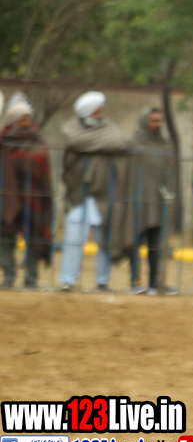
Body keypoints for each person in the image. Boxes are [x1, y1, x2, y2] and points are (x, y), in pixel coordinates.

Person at [58, 91, 129, 292]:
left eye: (101, 110)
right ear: (87, 112)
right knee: (73, 239)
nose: (101, 114)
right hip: (79, 193)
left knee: (105, 239)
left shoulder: (110, 127)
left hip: (104, 194)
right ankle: (67, 280)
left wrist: (89, 146)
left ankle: (102, 281)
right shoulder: (72, 128)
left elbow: (118, 141)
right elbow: (74, 141)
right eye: (97, 111)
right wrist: (100, 146)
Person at [115, 107, 176, 295]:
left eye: (160, 121)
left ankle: (154, 283)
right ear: (145, 122)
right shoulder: (133, 144)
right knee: (135, 243)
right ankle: (136, 281)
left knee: (155, 245)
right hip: (137, 202)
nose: (158, 124)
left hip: (158, 202)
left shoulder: (165, 145)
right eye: (154, 121)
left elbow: (169, 171)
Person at [0, 93, 52, 290]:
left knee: (33, 237)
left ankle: (31, 278)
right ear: (13, 119)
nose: (25, 122)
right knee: (5, 237)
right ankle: (9, 276)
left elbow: (41, 158)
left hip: (32, 196)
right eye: (21, 119)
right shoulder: (3, 140)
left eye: (27, 118)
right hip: (7, 198)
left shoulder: (37, 139)